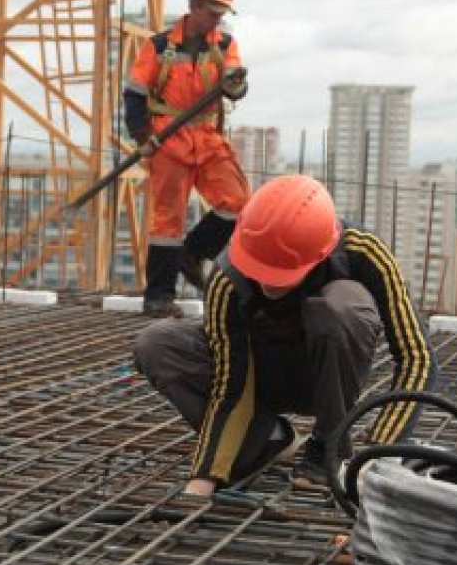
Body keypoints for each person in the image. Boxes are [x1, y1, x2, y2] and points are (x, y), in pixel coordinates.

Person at [132, 175, 438, 497]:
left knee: (338, 310)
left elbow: (416, 356)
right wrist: (205, 477)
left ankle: (327, 448)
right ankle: (266, 440)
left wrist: (379, 451)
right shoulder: (228, 276)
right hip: (256, 375)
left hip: (327, 373)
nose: (268, 284)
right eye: (261, 270)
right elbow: (230, 385)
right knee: (156, 344)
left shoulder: (363, 251)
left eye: (280, 274)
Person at [123, 0, 251, 317]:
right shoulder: (159, 46)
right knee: (167, 221)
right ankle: (159, 296)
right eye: (212, 13)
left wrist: (236, 83)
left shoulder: (223, 45)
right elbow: (134, 96)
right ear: (194, 4)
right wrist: (144, 138)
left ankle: (193, 252)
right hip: (170, 139)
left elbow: (235, 81)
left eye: (221, 15)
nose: (216, 20)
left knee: (238, 202)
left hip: (207, 136)